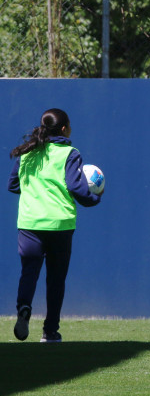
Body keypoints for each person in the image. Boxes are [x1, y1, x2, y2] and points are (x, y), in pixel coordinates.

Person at [8, 108, 102, 343]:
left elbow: (13, 185)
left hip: (29, 223)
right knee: (56, 279)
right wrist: (94, 199)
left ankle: (24, 309)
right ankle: (50, 331)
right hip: (59, 224)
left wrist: (34, 189)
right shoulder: (69, 153)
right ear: (63, 129)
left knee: (29, 273)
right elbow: (76, 187)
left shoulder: (27, 153)